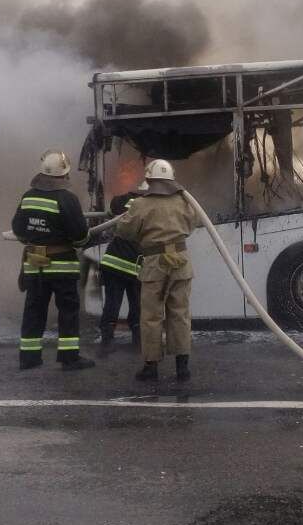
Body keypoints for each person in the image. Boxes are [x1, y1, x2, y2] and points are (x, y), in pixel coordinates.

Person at [114, 159, 201, 382]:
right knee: (180, 313)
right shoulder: (184, 200)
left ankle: (151, 367)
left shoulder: (140, 204)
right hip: (180, 261)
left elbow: (124, 230)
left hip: (154, 263)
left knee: (152, 316)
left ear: (149, 179)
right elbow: (194, 222)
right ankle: (183, 367)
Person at [11, 149, 95, 371]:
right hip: (62, 267)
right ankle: (69, 358)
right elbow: (79, 236)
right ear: (64, 175)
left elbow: (18, 230)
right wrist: (84, 239)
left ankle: (28, 358)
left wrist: (34, 238)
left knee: (33, 310)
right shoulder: (67, 199)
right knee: (67, 310)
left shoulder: (28, 197)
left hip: (34, 265)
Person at [98, 180, 146, 347]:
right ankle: (138, 339)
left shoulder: (125, 201)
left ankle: (106, 339)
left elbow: (113, 208)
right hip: (133, 266)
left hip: (112, 263)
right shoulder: (152, 206)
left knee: (112, 303)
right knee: (137, 304)